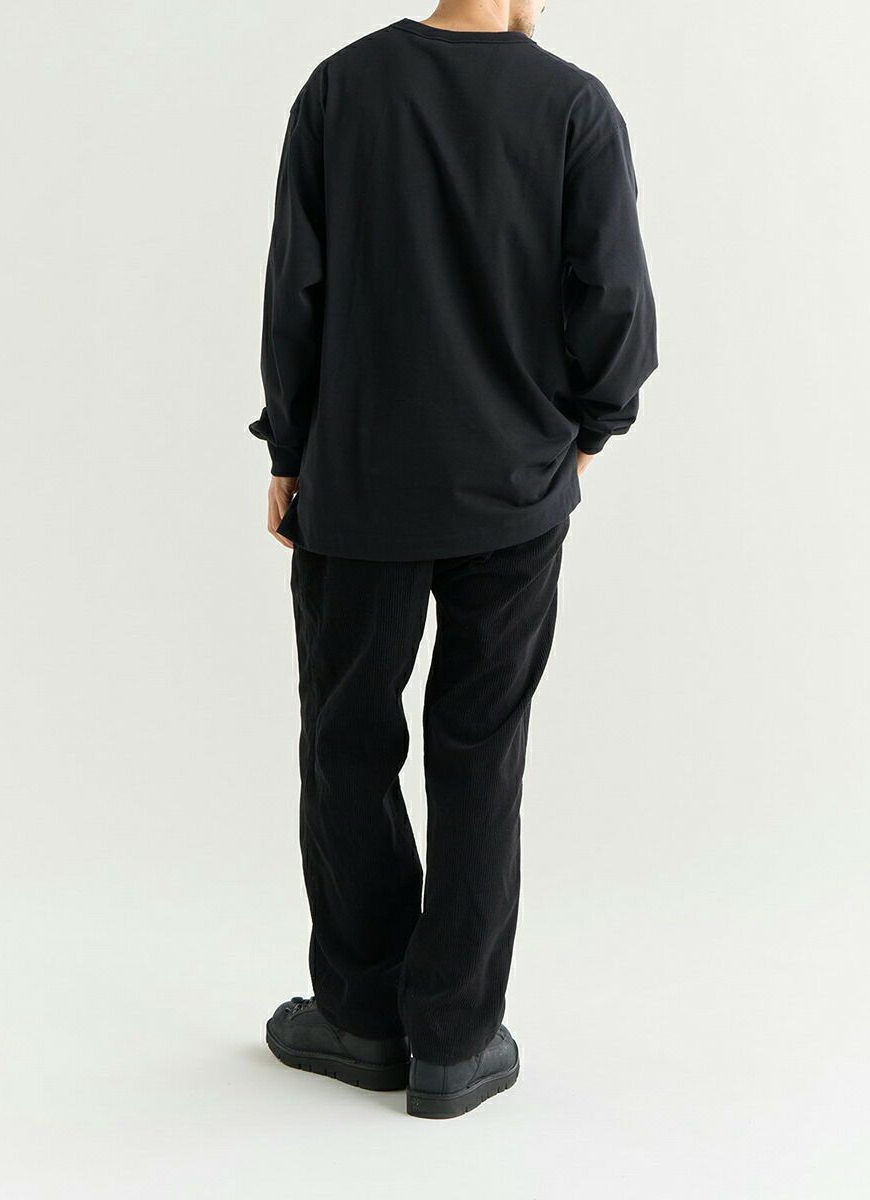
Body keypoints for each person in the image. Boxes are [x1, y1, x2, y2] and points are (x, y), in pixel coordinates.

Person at [251, 0, 657, 1119]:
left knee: (347, 740)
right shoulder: (574, 106)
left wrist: (289, 446)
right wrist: (589, 432)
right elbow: (616, 298)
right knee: (481, 751)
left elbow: (296, 289)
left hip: (358, 483)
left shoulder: (340, 88)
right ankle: (454, 1041)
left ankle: (361, 1016)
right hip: (512, 492)